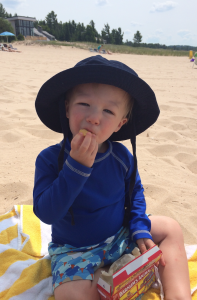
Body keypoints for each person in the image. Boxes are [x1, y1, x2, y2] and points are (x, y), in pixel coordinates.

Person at [33, 55, 191, 300]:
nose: (94, 117)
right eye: (84, 104)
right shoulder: (49, 159)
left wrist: (139, 227)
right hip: (74, 249)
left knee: (170, 227)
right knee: (70, 293)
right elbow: (46, 212)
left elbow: (135, 192)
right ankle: (106, 277)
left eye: (108, 110)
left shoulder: (121, 157)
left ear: (120, 123)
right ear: (66, 107)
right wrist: (75, 168)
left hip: (119, 234)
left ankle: (177, 295)